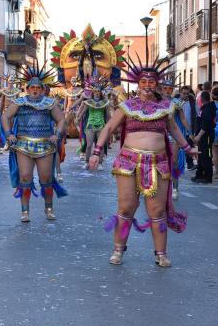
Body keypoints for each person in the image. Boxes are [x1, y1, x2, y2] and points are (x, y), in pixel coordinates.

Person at [88, 56, 198, 267]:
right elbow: (109, 127)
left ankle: (161, 254)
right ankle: (118, 250)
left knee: (157, 211)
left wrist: (187, 147)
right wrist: (96, 151)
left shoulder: (166, 107)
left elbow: (173, 129)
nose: (147, 86)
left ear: (157, 84)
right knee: (126, 207)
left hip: (158, 163)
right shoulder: (127, 106)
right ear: (137, 84)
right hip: (129, 161)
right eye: (143, 82)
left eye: (152, 82)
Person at [2, 63, 67, 222]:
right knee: (25, 177)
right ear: (27, 89)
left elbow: (61, 119)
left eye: (38, 87)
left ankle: (49, 208)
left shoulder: (49, 103)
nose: (35, 90)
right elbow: (5, 116)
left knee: (46, 178)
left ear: (43, 89)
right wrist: (9, 134)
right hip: (23, 144)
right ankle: (25, 211)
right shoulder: (19, 102)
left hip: (45, 144)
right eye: (32, 87)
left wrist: (57, 135)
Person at [76, 74, 112, 170]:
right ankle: (87, 162)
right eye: (95, 91)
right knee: (88, 145)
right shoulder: (88, 102)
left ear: (101, 93)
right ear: (93, 92)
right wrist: (78, 118)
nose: (96, 93)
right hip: (90, 125)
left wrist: (112, 125)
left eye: (98, 91)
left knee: (99, 146)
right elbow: (83, 112)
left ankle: (100, 164)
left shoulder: (105, 103)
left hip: (101, 126)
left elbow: (108, 115)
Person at [193, 90, 216, 183]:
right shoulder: (204, 108)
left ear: (202, 99)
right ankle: (199, 175)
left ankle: (207, 177)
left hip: (206, 136)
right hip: (202, 137)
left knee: (206, 156)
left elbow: (206, 125)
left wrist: (198, 136)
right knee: (201, 156)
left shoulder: (208, 109)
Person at [179, 85, 197, 170]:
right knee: (179, 148)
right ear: (180, 93)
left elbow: (196, 115)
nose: (185, 95)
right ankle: (178, 164)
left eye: (187, 93)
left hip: (189, 128)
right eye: (184, 93)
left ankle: (190, 164)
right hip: (179, 128)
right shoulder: (176, 103)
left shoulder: (192, 103)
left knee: (188, 146)